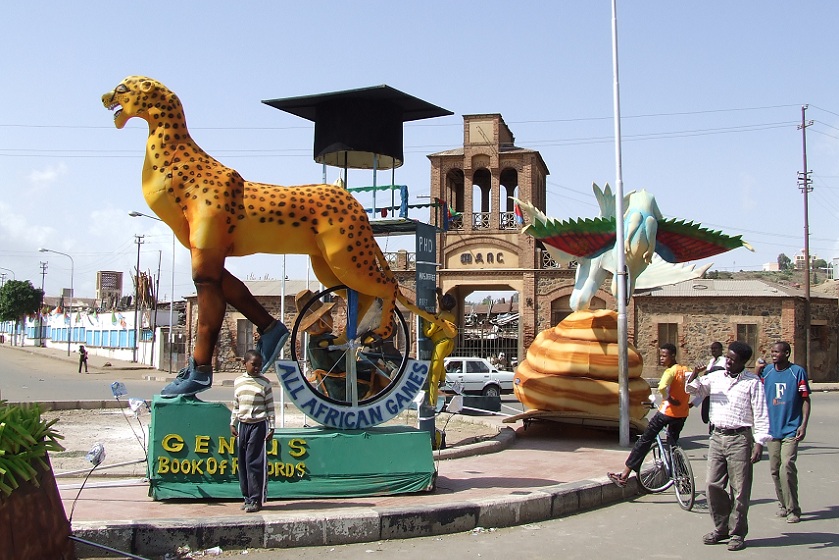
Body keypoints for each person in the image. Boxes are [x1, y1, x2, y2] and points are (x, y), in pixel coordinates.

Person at [686, 341, 770, 552]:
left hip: (740, 439)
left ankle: (737, 532)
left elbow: (761, 414)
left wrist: (759, 443)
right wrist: (695, 373)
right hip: (717, 436)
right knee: (713, 484)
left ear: (743, 362)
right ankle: (721, 527)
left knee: (739, 489)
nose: (728, 362)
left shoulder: (753, 383)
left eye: (733, 359)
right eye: (727, 358)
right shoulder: (715, 377)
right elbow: (693, 389)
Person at [607, 343, 690, 487]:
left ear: (672, 356)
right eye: (661, 356)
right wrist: (690, 403)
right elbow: (695, 386)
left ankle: (624, 474)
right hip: (682, 414)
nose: (662, 359)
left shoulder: (670, 372)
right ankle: (683, 479)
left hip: (667, 412)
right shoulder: (686, 370)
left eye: (664, 356)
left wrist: (668, 399)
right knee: (673, 444)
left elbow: (662, 387)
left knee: (644, 440)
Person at [755, 341, 811, 524]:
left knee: (786, 466)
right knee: (774, 469)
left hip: (790, 429)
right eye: (772, 352)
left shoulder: (797, 372)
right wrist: (757, 370)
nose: (773, 354)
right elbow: (754, 389)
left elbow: (805, 399)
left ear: (787, 353)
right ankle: (783, 504)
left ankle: (793, 509)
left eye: (777, 352)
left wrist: (803, 425)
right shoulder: (767, 372)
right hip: (772, 430)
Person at [230, 350, 275, 513]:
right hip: (243, 425)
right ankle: (247, 497)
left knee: (254, 462)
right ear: (245, 364)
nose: (257, 368)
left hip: (258, 425)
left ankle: (256, 499)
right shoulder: (239, 382)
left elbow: (270, 407)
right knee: (242, 462)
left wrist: (272, 427)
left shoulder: (264, 383)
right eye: (253, 364)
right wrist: (233, 423)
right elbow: (236, 404)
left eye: (259, 365)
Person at [423, 288, 457, 406]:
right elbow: (441, 305)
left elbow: (428, 333)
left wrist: (426, 319)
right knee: (440, 360)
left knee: (434, 372)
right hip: (449, 344)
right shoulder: (451, 316)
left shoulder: (441, 316)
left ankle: (432, 401)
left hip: (441, 344)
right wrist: (439, 295)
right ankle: (443, 380)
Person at [700, 341, 727, 425]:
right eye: (712, 349)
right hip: (709, 391)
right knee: (707, 415)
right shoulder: (711, 361)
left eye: (716, 348)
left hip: (719, 391)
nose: (713, 350)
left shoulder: (724, 361)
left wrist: (711, 371)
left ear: (721, 350)